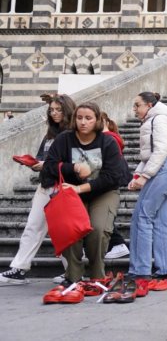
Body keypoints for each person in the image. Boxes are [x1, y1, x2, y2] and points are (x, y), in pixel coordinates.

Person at [43, 102, 122, 297]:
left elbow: (112, 176)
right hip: (71, 194)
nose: (83, 122)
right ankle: (74, 276)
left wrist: (80, 187)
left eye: (88, 118)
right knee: (71, 228)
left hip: (102, 192)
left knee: (98, 228)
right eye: (79, 118)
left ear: (97, 120)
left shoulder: (108, 143)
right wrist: (74, 168)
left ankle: (97, 275)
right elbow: (49, 166)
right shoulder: (64, 140)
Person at [0, 95, 76, 284]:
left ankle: (73, 272)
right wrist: (34, 163)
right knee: (33, 226)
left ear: (67, 110)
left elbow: (74, 164)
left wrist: (45, 164)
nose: (55, 113)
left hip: (63, 187)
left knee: (64, 232)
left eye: (59, 109)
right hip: (45, 185)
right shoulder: (50, 133)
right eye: (52, 110)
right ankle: (19, 268)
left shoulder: (73, 134)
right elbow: (42, 156)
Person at [129, 92, 167, 289]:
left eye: (137, 105)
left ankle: (140, 270)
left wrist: (144, 176)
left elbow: (160, 150)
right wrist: (138, 174)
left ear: (149, 105)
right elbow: (153, 154)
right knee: (161, 220)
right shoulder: (157, 118)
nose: (135, 110)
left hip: (164, 168)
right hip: (165, 168)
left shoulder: (158, 119)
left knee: (142, 217)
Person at [100, 111, 130, 260]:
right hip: (110, 177)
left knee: (104, 214)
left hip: (108, 178)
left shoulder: (108, 137)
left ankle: (118, 244)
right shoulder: (111, 136)